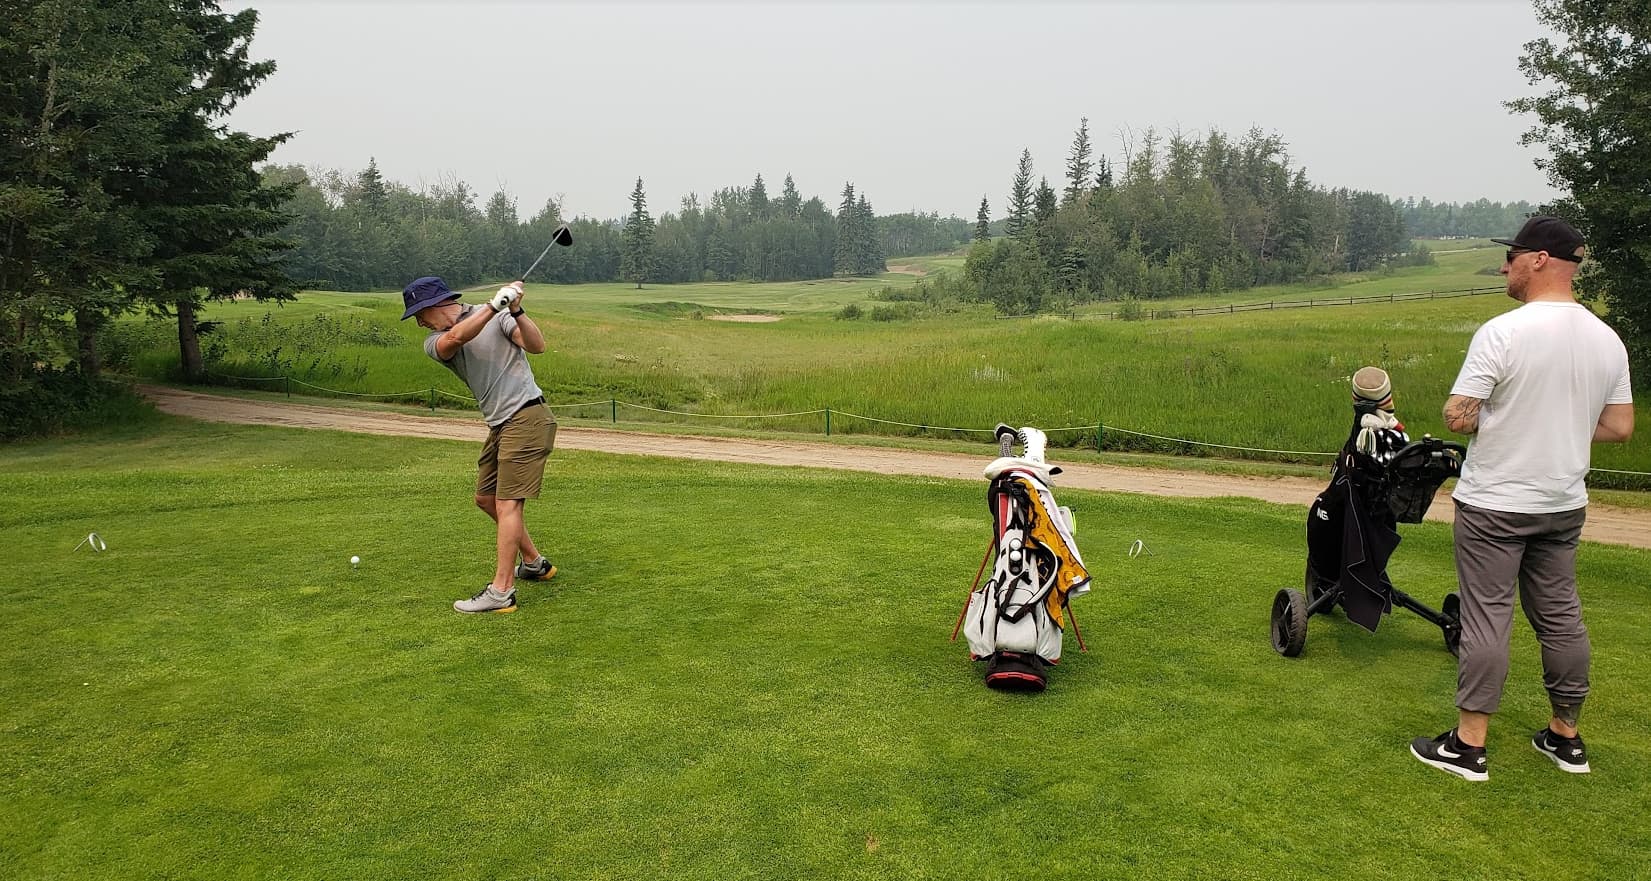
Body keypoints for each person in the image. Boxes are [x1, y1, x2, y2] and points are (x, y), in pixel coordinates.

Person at [1409, 217, 1634, 781]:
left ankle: (1469, 747)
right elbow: (1619, 426)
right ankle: (1565, 737)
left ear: (1539, 260)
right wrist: (1559, 424)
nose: (1504, 266)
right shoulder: (1606, 339)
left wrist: (1508, 420)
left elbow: (1457, 415)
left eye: (1511, 256)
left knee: (1487, 618)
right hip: (1562, 502)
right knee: (1561, 618)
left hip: (1496, 502)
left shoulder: (1503, 332)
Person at [401, 276, 559, 613]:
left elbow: (536, 346)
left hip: (527, 415)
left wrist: (516, 311)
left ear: (435, 304)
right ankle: (533, 562)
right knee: (486, 499)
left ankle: (501, 591)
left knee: (507, 503)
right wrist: (494, 305)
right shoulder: (434, 341)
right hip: (500, 423)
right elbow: (457, 337)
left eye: (419, 314)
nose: (419, 323)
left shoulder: (500, 316)